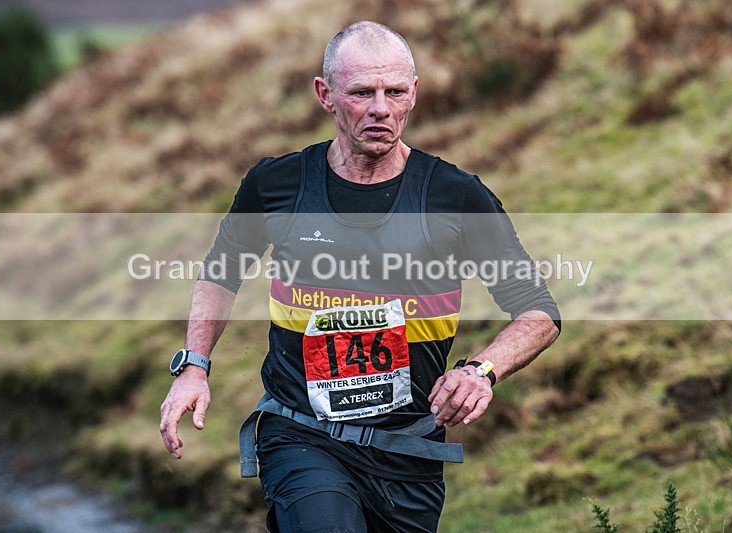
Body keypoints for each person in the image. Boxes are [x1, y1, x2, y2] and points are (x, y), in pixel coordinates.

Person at [160, 21, 560, 532]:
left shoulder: (455, 197)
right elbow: (221, 274)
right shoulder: (276, 184)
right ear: (325, 95)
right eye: (361, 92)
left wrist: (481, 371)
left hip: (408, 454)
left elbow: (538, 310)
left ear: (413, 94)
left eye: (394, 91)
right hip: (301, 434)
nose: (380, 108)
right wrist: (194, 365)